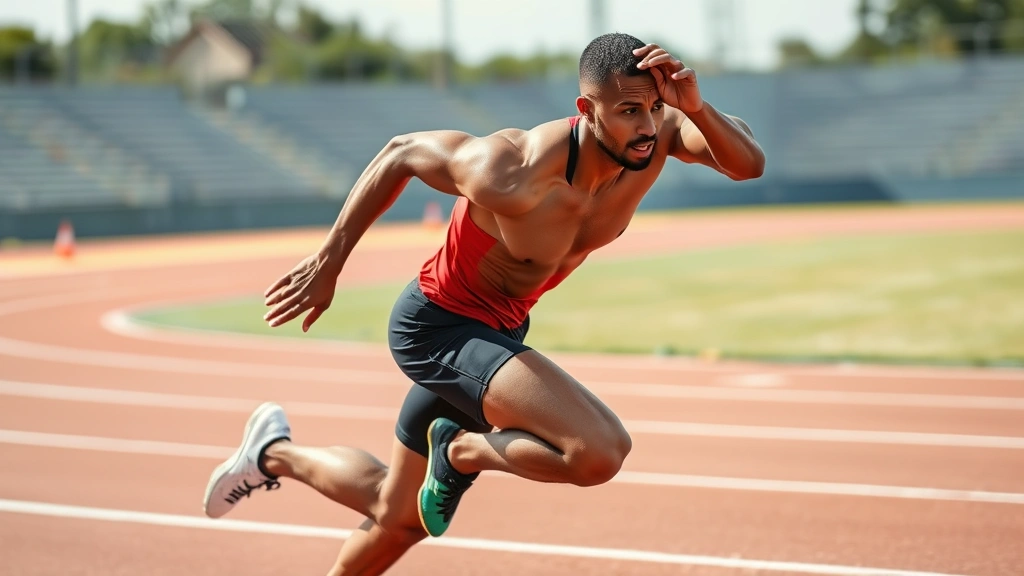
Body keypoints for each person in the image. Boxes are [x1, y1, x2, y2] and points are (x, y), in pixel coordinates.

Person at [202, 32, 765, 575]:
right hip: (438, 327)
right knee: (598, 451)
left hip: (498, 335)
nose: (644, 127)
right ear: (587, 109)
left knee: (396, 515)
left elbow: (747, 163)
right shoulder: (513, 169)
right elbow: (401, 152)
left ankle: (272, 453)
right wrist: (330, 262)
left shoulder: (660, 133)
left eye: (651, 108)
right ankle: (461, 453)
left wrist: (693, 104)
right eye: (626, 112)